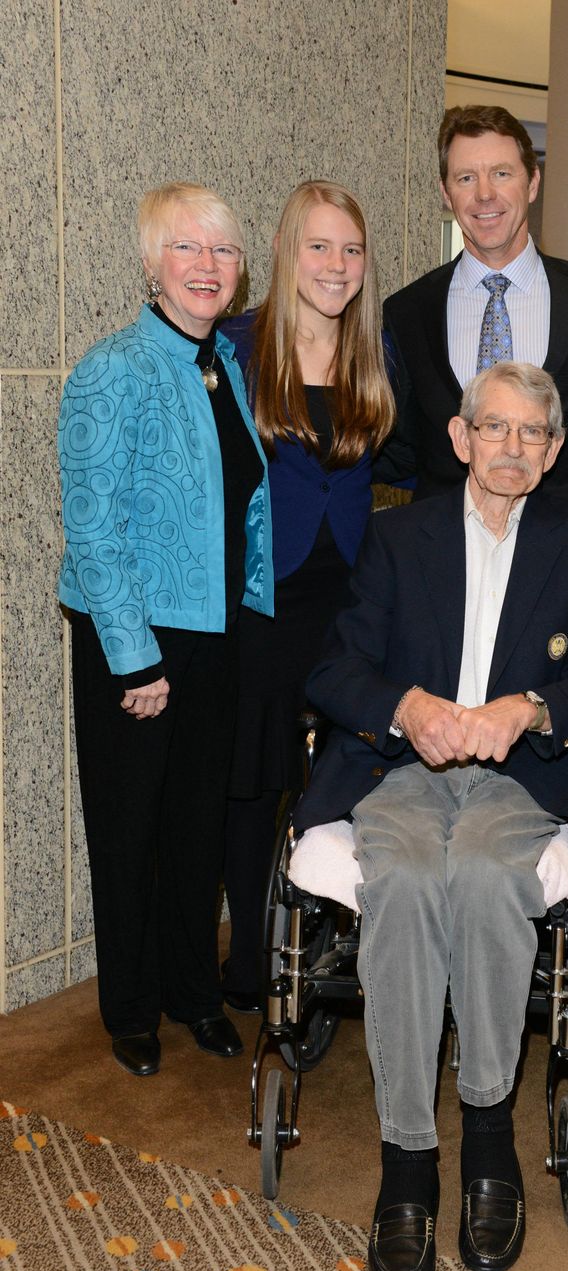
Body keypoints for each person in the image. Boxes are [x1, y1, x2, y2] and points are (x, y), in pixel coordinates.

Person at [292, 362, 568, 1271]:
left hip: (518, 779)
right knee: (401, 880)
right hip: (403, 768)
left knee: (483, 873)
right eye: (495, 428)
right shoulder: (399, 536)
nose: (512, 447)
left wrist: (531, 707)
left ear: (555, 452)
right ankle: (407, 1156)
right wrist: (406, 706)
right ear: (460, 436)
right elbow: (335, 669)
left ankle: (487, 1133)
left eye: (533, 433)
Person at [58, 182, 273, 1076]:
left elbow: (238, 503)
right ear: (152, 264)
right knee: (129, 830)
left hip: (216, 636)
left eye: (222, 251)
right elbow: (93, 528)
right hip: (137, 641)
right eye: (186, 248)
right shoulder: (113, 368)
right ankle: (131, 1007)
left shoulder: (221, 366)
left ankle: (194, 995)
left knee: (196, 826)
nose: (206, 266)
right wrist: (136, 659)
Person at [218, 182, 395, 1011]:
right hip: (262, 600)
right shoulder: (236, 348)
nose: (336, 264)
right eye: (319, 246)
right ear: (287, 252)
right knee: (257, 784)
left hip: (349, 600)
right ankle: (252, 963)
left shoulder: (374, 351)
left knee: (341, 778)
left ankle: (325, 950)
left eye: (351, 249)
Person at [379, 104, 568, 509]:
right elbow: (398, 447)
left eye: (501, 174)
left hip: (562, 542)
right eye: (466, 178)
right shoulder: (407, 312)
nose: (484, 193)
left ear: (533, 183)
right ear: (446, 193)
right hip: (444, 542)